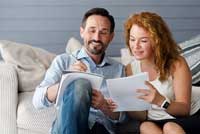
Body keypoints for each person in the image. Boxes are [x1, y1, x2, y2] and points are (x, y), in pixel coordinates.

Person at [32, 7, 125, 134]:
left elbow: (123, 117)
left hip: (101, 129)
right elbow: (37, 101)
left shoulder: (118, 69)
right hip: (66, 126)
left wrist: (103, 105)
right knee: (81, 83)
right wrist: (67, 80)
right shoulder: (63, 61)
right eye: (92, 30)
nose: (97, 37)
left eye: (103, 32)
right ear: (82, 32)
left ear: (111, 37)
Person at [108, 11, 200, 134]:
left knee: (170, 127)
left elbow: (184, 109)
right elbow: (142, 116)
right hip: (154, 120)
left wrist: (159, 100)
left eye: (143, 41)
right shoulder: (130, 69)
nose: (136, 46)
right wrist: (123, 104)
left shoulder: (176, 63)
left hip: (184, 117)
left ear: (157, 42)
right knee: (145, 127)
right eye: (132, 39)